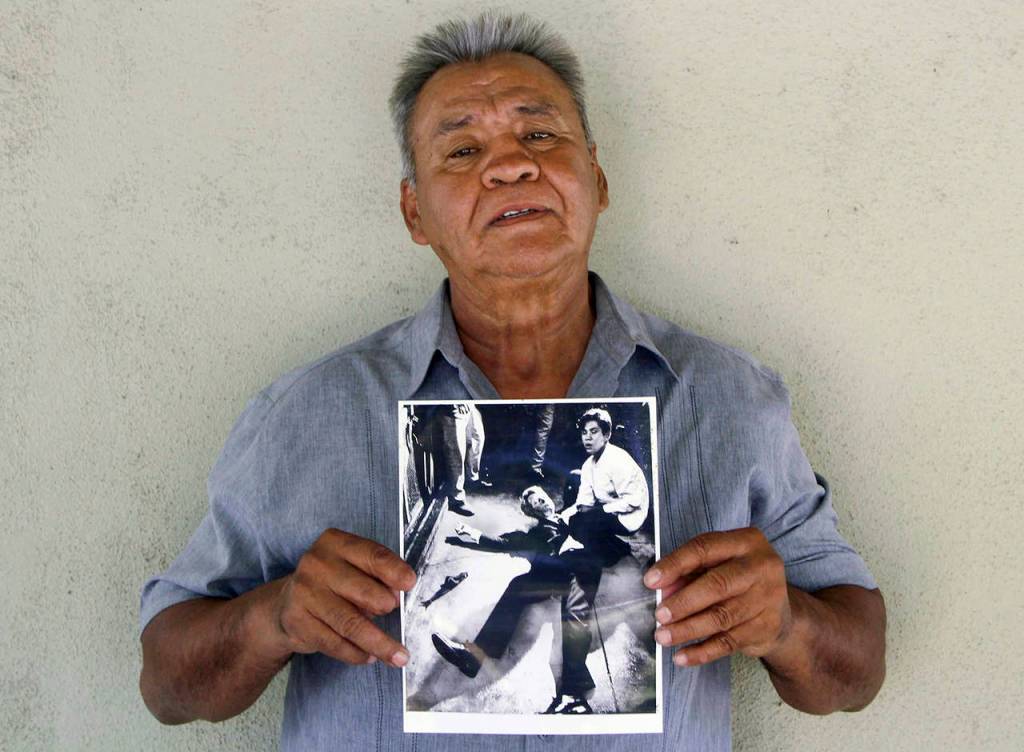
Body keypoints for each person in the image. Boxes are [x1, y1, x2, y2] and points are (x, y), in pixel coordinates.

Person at [138, 11, 886, 751]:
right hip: (562, 543)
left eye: (540, 135)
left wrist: (786, 621)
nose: (509, 165)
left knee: (555, 578)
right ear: (414, 212)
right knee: (531, 565)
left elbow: (853, 674)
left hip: (603, 550)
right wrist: (274, 617)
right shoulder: (306, 413)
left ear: (595, 178)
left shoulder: (729, 398)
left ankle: (560, 678)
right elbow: (169, 687)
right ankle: (517, 661)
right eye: (461, 149)